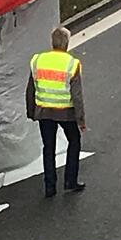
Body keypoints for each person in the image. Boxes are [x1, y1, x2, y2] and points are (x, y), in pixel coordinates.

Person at [26, 26, 86, 197]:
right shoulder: (72, 64)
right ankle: (70, 181)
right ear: (66, 43)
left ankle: (50, 186)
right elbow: (77, 96)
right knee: (74, 141)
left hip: (44, 112)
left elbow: (30, 89)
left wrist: (31, 111)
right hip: (65, 112)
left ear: (52, 42)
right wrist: (80, 120)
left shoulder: (38, 60)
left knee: (48, 147)